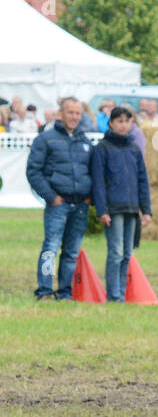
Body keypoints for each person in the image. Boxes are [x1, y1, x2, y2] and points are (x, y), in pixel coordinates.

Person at [26, 97, 93, 301]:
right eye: (70, 112)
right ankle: (45, 291)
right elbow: (33, 171)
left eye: (77, 113)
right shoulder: (45, 139)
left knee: (72, 252)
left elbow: (93, 171)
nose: (74, 117)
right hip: (58, 204)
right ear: (61, 113)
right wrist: (51, 197)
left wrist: (90, 196)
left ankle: (65, 292)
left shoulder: (85, 141)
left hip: (80, 205)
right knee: (51, 247)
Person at [90, 106, 152, 302]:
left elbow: (143, 180)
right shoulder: (102, 148)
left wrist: (146, 210)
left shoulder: (134, 149)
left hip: (132, 208)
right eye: (119, 121)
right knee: (115, 252)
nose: (123, 125)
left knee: (127, 253)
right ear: (111, 123)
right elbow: (98, 181)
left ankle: (122, 294)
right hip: (113, 209)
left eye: (127, 121)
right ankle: (114, 295)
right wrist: (102, 209)